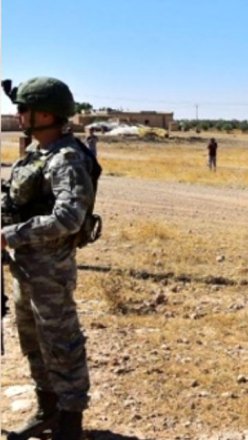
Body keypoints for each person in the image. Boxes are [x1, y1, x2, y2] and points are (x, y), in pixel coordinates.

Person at [1, 77, 98, 439]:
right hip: (25, 267)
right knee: (32, 341)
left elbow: (68, 218)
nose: (18, 114)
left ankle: (70, 424)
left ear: (44, 114)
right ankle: (49, 410)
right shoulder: (38, 153)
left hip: (51, 270)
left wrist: (10, 236)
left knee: (61, 344)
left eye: (24, 108)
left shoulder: (67, 158)